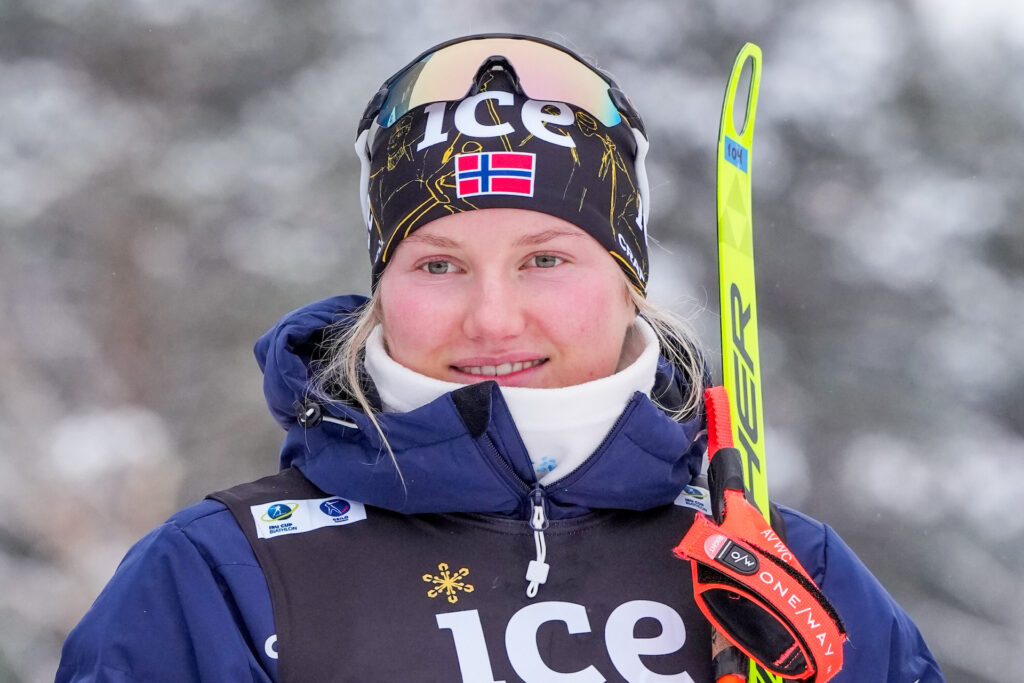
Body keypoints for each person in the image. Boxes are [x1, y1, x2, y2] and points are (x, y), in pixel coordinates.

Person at [57, 33, 943, 682]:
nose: (492, 315)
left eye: (545, 259)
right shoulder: (224, 572)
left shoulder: (788, 574)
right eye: (438, 264)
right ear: (381, 289)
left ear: (627, 278)